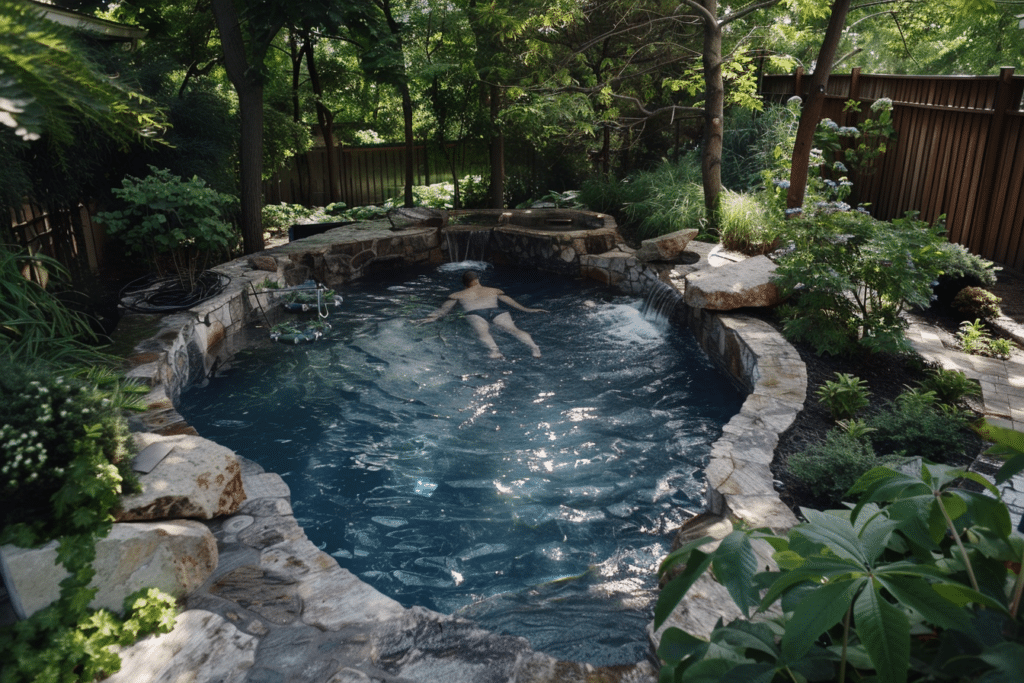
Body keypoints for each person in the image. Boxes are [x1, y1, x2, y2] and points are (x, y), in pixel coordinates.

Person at [414, 270, 547, 358]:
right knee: (514, 330)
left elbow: (444, 310)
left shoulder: (457, 294)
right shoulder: (493, 290)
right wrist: (527, 309)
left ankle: (495, 351)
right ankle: (534, 347)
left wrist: (431, 318)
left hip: (475, 313)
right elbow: (508, 301)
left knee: (483, 333)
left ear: (465, 284)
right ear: (477, 280)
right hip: (497, 311)